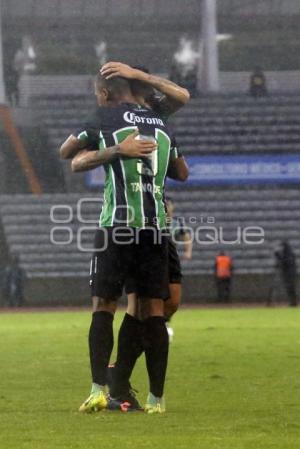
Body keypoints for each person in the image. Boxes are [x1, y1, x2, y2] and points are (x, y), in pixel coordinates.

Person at [59, 69, 189, 415]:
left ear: (104, 92)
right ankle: (156, 401)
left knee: (104, 304)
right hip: (156, 229)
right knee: (154, 311)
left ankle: (99, 389)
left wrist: (118, 149)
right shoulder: (161, 120)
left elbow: (68, 154)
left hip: (116, 227)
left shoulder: (104, 115)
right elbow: (183, 171)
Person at [273, 241, 297, 307]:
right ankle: (293, 302)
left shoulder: (289, 255)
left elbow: (286, 263)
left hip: (290, 275)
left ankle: (293, 303)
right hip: (288, 274)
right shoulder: (287, 254)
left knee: (291, 289)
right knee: (289, 289)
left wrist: (278, 256)